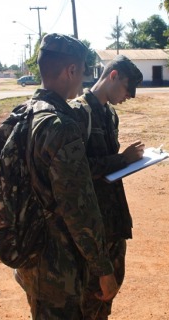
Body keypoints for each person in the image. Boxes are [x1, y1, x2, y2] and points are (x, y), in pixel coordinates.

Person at [13, 33, 118, 319]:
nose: (83, 79)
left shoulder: (23, 115)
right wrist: (103, 269)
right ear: (71, 71)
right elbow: (78, 209)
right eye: (83, 72)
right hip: (59, 266)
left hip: (28, 253)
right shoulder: (61, 126)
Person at [70, 55, 144, 319]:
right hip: (92, 225)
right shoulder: (77, 114)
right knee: (90, 297)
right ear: (113, 76)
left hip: (114, 221)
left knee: (107, 298)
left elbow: (108, 166)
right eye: (127, 89)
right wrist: (122, 159)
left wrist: (130, 163)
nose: (129, 97)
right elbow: (74, 171)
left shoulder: (110, 115)